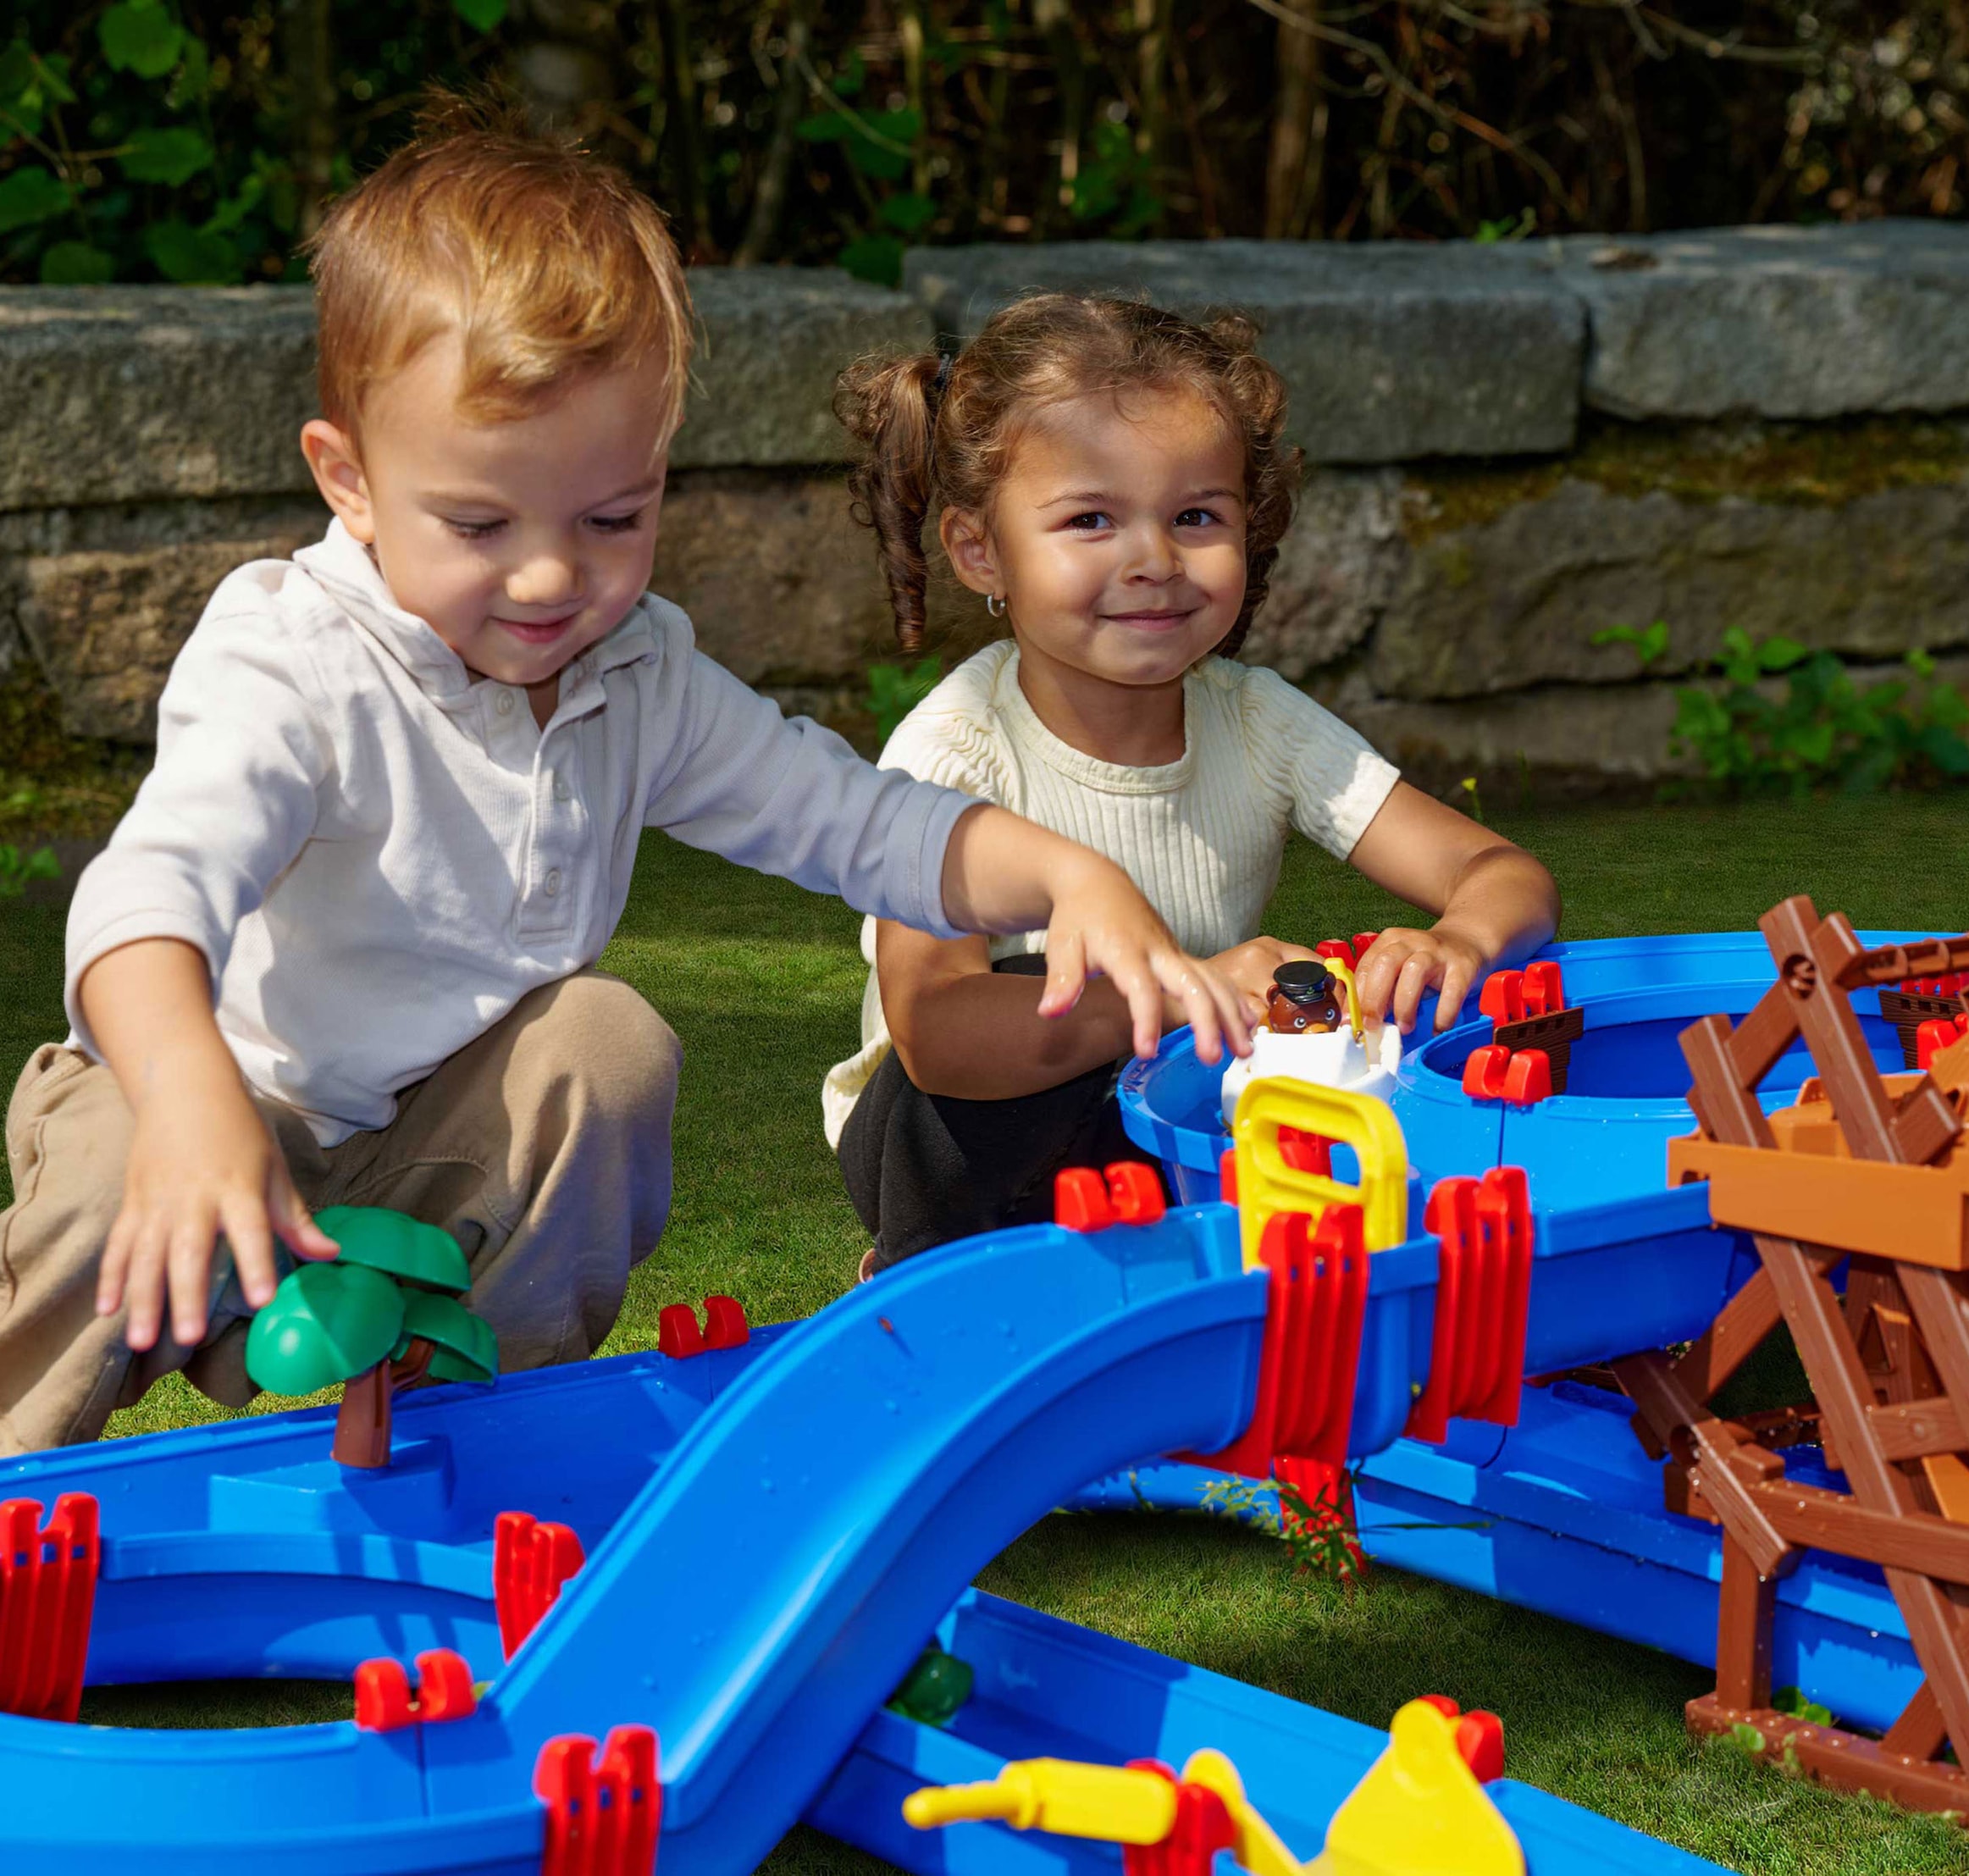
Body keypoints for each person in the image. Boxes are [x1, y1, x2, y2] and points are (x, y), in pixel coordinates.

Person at [0, 109, 1253, 1458]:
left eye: (613, 517)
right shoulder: (289, 657)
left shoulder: (636, 667)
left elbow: (856, 820)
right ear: (349, 480)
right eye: (480, 523)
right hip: (199, 1090)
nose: (553, 578)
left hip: (425, 1136)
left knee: (603, 1042)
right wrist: (190, 1098)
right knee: (109, 1147)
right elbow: (144, 897)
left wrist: (1072, 872)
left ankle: (488, 1436)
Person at [825, 294, 1561, 1276]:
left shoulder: (1257, 719)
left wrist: (1458, 939)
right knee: (1031, 990)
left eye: (1195, 516)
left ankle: (1319, 1264)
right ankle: (927, 1287)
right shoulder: (957, 750)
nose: (1154, 561)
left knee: (1418, 1021)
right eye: (1090, 519)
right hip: (956, 1147)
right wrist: (1186, 989)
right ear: (979, 550)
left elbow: (1503, 872)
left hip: (1170, 1105)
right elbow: (938, 1036)